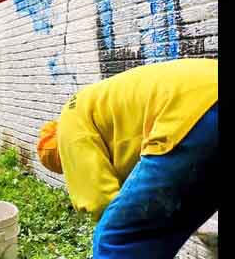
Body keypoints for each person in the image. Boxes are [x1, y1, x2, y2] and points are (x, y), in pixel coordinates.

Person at [36, 58, 218, 259]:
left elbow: (100, 202)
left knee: (116, 239)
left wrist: (116, 220)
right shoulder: (94, 105)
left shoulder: (69, 129)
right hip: (206, 90)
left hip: (193, 110)